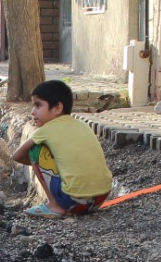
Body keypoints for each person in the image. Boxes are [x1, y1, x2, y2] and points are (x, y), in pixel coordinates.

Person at [11, 79, 114, 216]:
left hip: (74, 202)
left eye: (38, 105)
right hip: (100, 198)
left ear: (57, 108)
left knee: (36, 150)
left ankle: (54, 206)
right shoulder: (82, 124)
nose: (32, 112)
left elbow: (17, 156)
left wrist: (45, 166)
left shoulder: (46, 130)